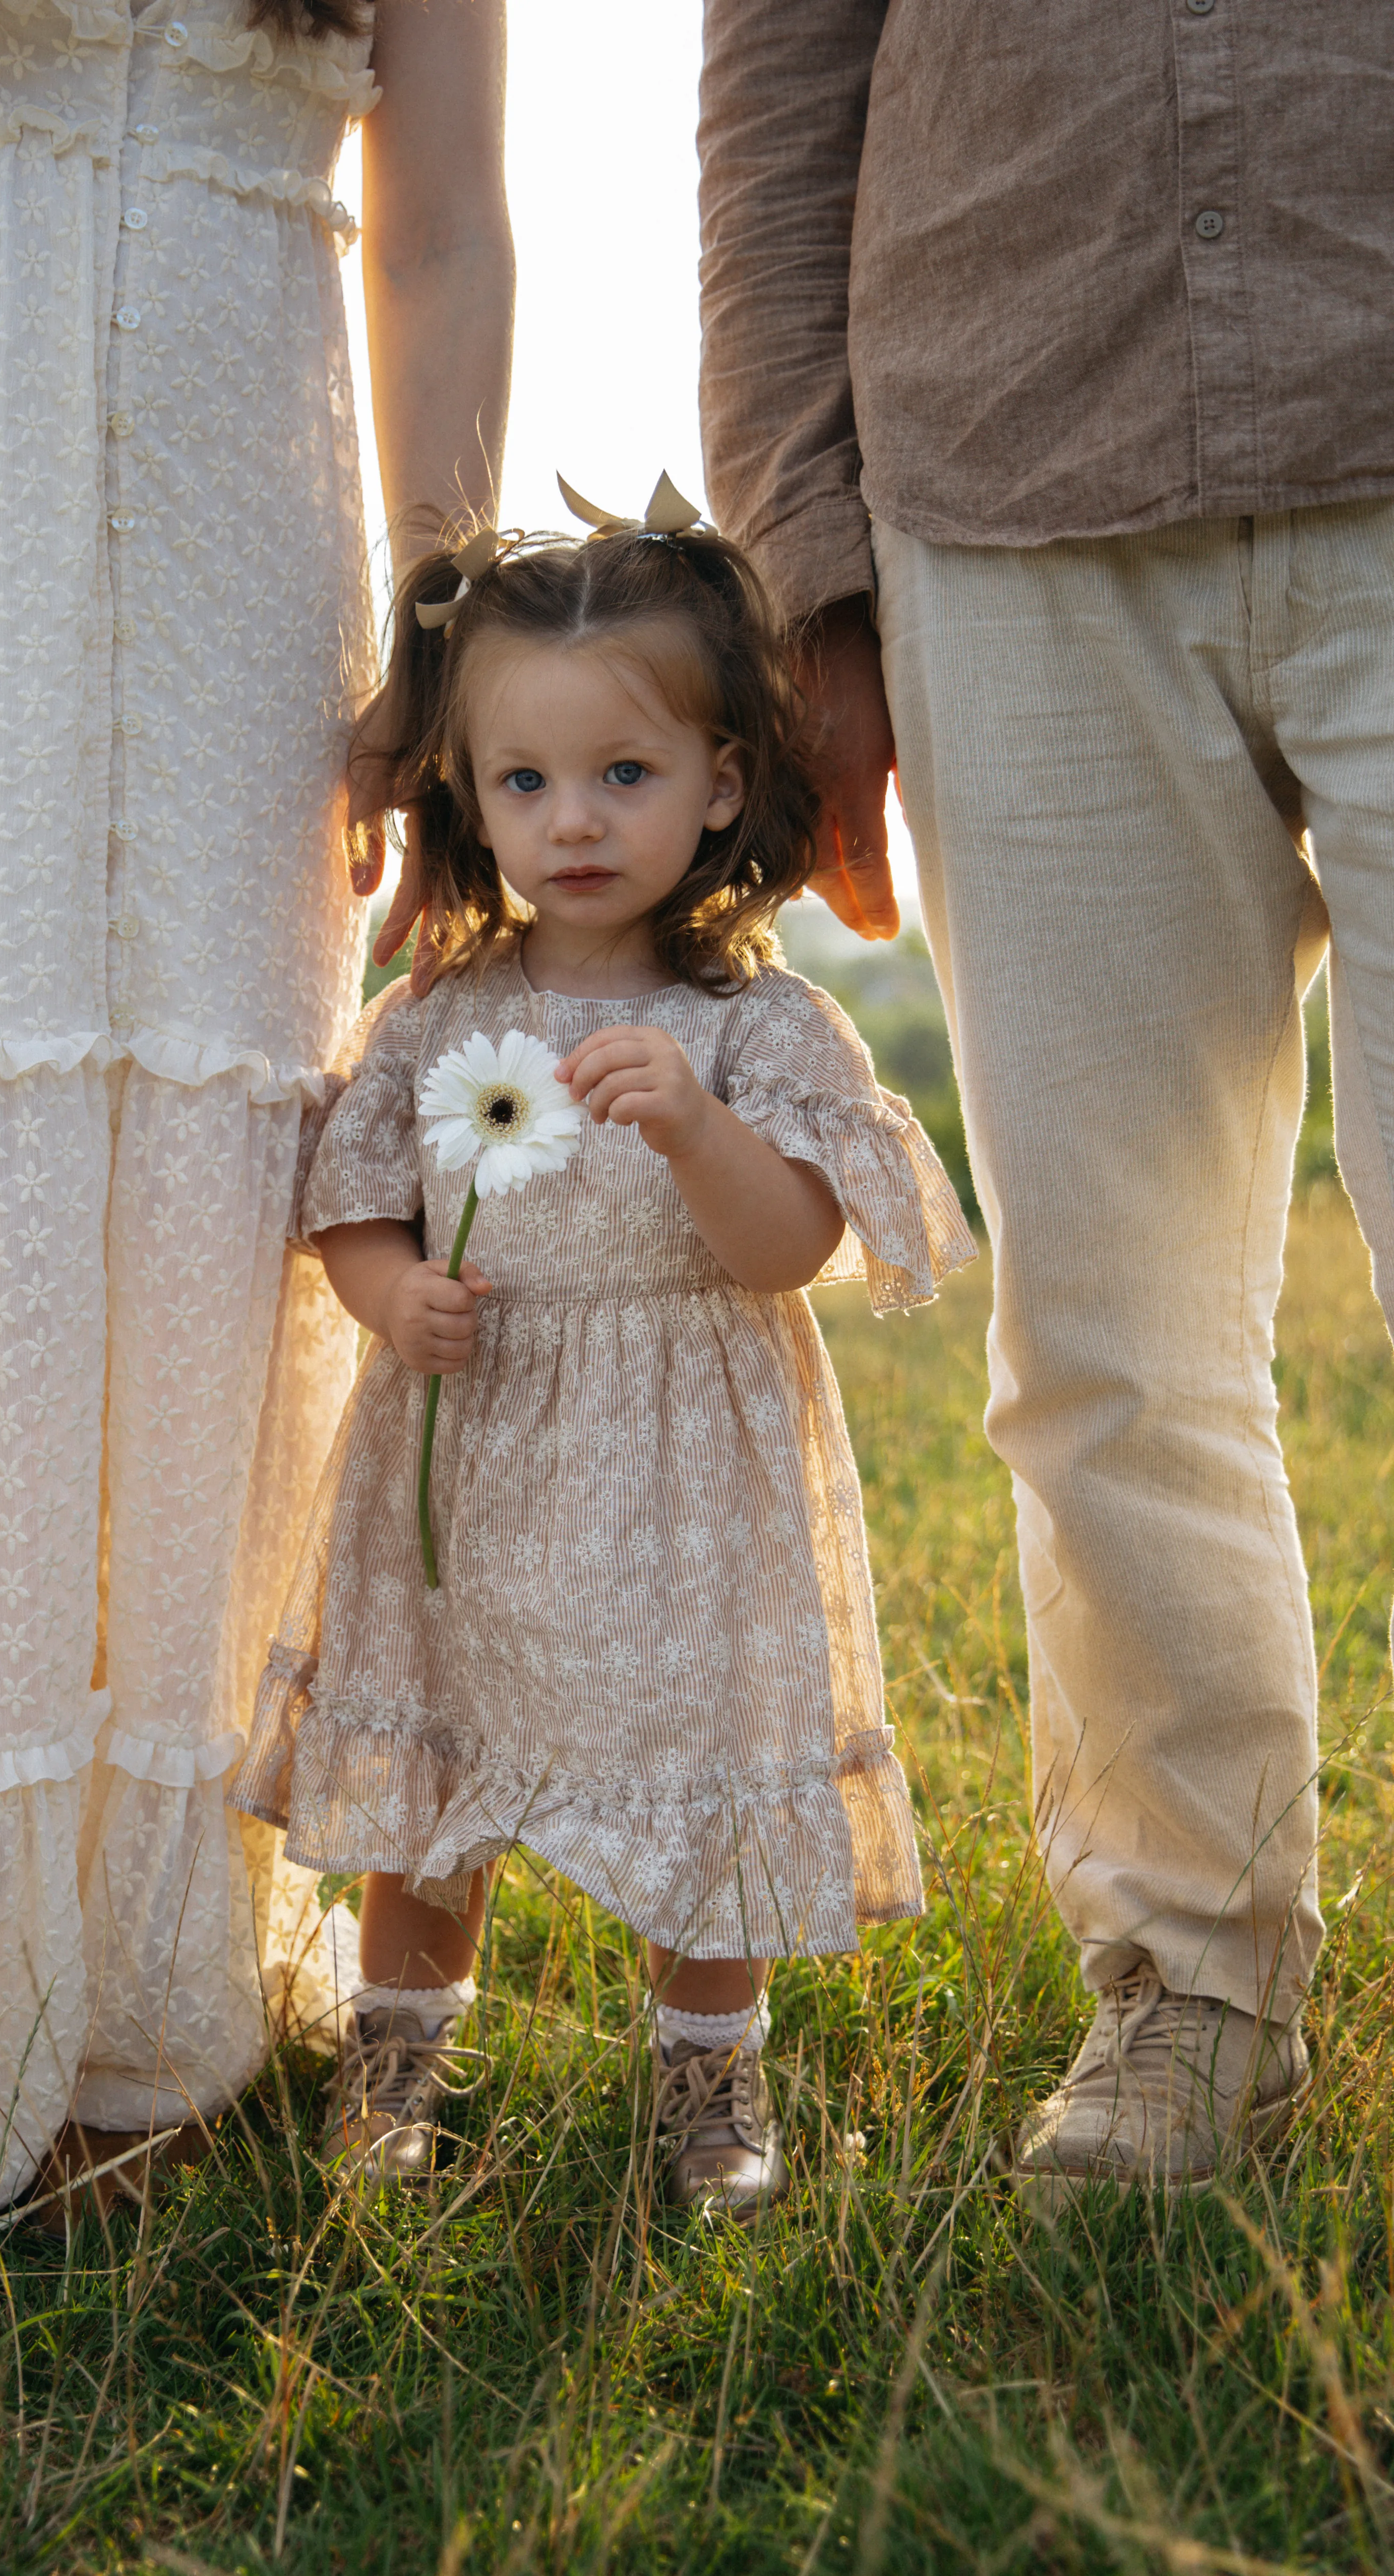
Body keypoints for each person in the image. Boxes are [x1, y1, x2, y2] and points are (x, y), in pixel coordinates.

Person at [0, 0, 511, 2257]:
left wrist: (444, 660)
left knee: (205, 1188)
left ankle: (134, 1983)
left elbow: (440, 229)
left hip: (247, 517)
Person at [695, 1, 1394, 2200]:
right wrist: (803, 560)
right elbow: (780, 75)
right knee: (1104, 1326)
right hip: (1007, 475)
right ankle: (1194, 1981)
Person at [228, 497, 974, 2213]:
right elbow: (355, 1195)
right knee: (438, 1756)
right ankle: (401, 2047)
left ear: (720, 781)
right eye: (525, 783)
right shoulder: (438, 1011)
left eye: (623, 776)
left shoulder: (758, 1025)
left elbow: (792, 1245)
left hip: (685, 1477)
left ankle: (710, 2074)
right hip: (475, 1451)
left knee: (703, 1761)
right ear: (470, 794)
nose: (571, 822)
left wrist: (702, 1128)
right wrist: (388, 1293)